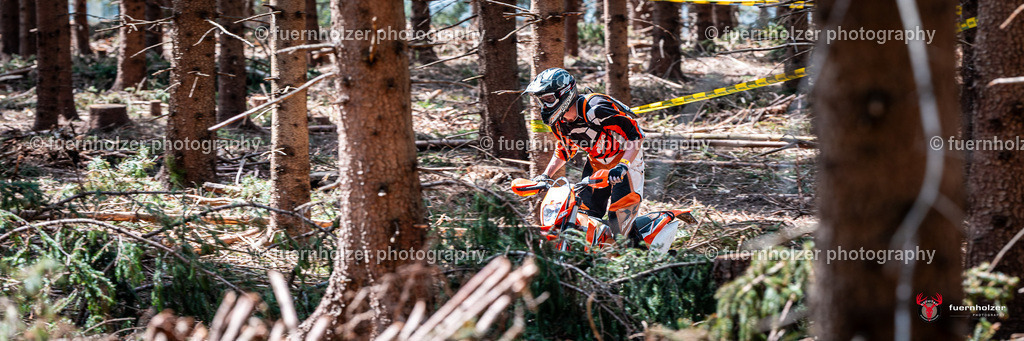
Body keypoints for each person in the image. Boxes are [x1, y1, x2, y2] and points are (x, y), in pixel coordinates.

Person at [525, 68, 646, 236]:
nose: (545, 106)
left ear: (565, 93)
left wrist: (623, 166)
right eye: (541, 101)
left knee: (619, 221)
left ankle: (640, 252)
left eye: (548, 99)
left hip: (626, 160)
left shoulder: (596, 109)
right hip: (596, 163)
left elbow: (636, 134)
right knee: (584, 216)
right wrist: (545, 175)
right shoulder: (559, 122)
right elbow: (565, 149)